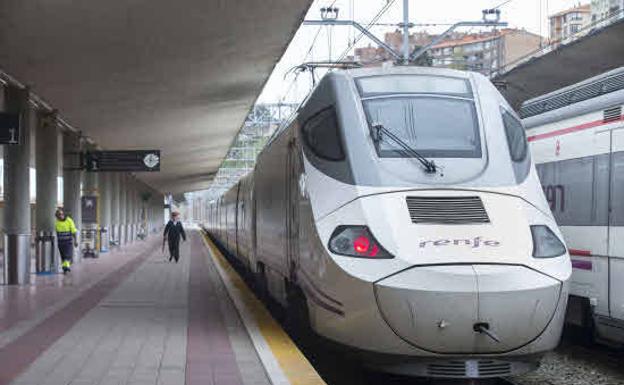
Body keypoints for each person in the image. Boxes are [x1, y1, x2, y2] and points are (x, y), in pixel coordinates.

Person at [55, 208, 78, 273]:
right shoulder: (56, 223)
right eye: (59, 215)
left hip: (68, 242)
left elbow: (74, 231)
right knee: (63, 256)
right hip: (60, 242)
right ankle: (65, 268)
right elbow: (56, 232)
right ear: (57, 216)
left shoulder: (69, 220)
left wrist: (76, 240)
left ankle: (66, 266)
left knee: (68, 255)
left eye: (62, 214)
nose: (60, 216)